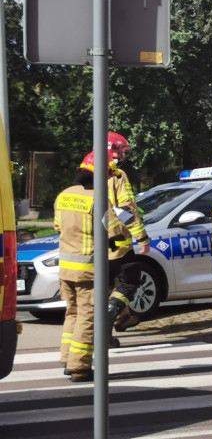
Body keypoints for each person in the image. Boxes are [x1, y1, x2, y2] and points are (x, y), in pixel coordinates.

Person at [103, 133, 150, 344]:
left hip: (92, 246)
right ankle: (111, 318)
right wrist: (142, 237)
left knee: (105, 288)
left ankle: (121, 320)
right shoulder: (117, 175)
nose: (123, 156)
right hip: (118, 243)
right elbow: (126, 208)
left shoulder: (85, 175)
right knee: (129, 281)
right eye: (122, 151)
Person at [54, 164, 97, 382]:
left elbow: (57, 226)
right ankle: (79, 367)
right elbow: (114, 229)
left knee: (71, 313)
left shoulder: (64, 195)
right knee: (87, 317)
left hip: (66, 268)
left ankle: (66, 358)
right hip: (88, 270)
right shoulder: (97, 197)